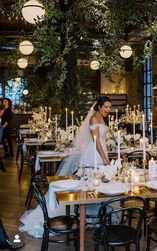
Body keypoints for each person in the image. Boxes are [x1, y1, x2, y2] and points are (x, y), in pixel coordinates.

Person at [20, 96, 112, 238]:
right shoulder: (94, 118)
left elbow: (102, 140)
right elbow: (96, 142)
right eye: (106, 107)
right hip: (95, 153)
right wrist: (105, 159)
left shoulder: (102, 118)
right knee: (91, 182)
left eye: (109, 107)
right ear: (99, 107)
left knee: (99, 184)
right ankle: (84, 214)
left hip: (101, 151)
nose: (108, 109)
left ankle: (95, 214)